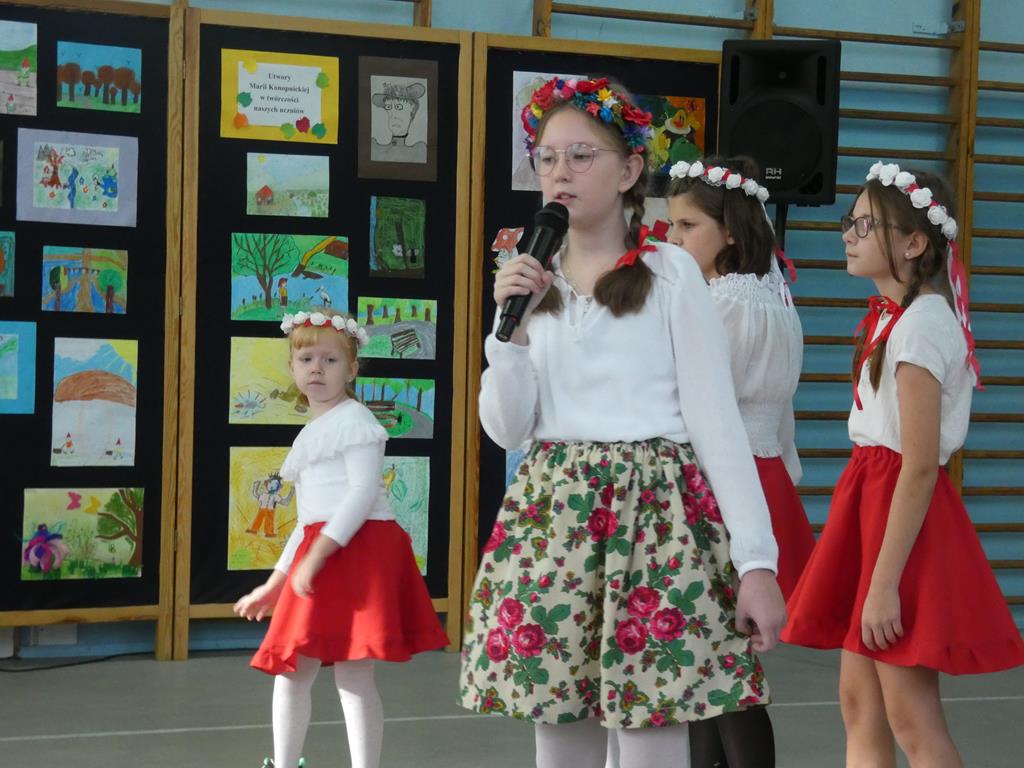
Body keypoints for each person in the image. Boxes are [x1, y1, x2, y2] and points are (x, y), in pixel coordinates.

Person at [458, 76, 786, 768]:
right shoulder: (528, 275)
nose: (560, 172)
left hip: (655, 518)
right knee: (559, 723)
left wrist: (756, 562)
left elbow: (717, 424)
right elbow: (507, 429)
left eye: (582, 156)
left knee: (651, 723)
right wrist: (507, 338)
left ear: (630, 170)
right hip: (554, 516)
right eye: (547, 158)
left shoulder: (670, 273)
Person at [782, 162, 1024, 766]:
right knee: (859, 703)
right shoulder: (897, 318)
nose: (849, 234)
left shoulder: (919, 327)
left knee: (911, 718)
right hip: (872, 503)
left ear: (914, 244)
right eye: (850, 221)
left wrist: (883, 584)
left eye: (865, 224)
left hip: (899, 519)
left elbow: (917, 466)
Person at [234, 309, 448, 768]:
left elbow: (362, 493)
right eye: (306, 359)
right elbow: (305, 522)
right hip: (324, 547)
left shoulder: (357, 422)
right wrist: (276, 582)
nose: (317, 368)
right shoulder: (310, 433)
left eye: (330, 360)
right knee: (293, 669)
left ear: (352, 369)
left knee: (354, 672)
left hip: (361, 551)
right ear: (291, 367)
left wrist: (317, 557)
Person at [663, 156, 815, 768]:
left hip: (722, 488)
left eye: (687, 225)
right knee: (715, 671)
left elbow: (701, 410)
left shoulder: (720, 304)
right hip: (764, 478)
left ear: (729, 231)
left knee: (724, 678)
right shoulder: (778, 299)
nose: (673, 238)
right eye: (671, 225)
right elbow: (782, 419)